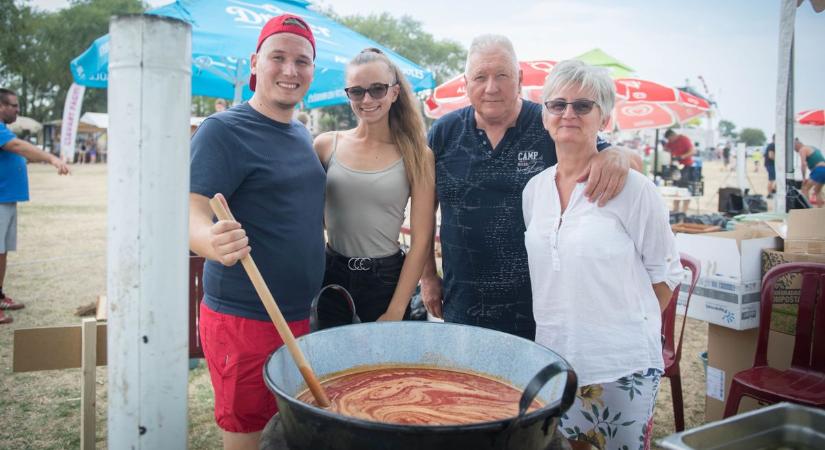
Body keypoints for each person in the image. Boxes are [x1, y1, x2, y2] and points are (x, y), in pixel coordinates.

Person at [421, 35, 635, 340]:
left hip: (538, 306)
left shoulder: (549, 121)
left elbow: (613, 156)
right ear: (466, 83)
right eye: (480, 77)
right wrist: (428, 276)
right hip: (462, 301)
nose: (491, 87)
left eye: (502, 75)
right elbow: (424, 212)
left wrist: (616, 154)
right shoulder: (444, 131)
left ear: (519, 79)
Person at [523, 60, 683, 450]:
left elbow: (666, 272)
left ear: (605, 117)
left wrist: (627, 327)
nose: (568, 114)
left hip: (621, 365)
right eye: (557, 104)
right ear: (545, 116)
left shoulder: (634, 189)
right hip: (558, 360)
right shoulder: (534, 191)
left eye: (583, 105)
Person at [187, 15, 324, 449]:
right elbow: (188, 210)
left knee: (292, 434)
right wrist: (210, 241)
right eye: (278, 58)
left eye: (301, 61)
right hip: (243, 318)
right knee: (249, 436)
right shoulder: (223, 130)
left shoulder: (302, 135)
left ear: (312, 71)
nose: (290, 70)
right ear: (255, 62)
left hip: (304, 315)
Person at [312, 49, 435, 328]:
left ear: (394, 92)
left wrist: (396, 309)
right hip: (331, 275)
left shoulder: (417, 154)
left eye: (377, 89)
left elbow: (421, 241)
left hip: (386, 281)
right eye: (357, 91)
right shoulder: (325, 146)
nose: (367, 99)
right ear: (348, 95)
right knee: (334, 369)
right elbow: (306, 218)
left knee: (384, 370)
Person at [0, 88, 70, 324]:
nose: (18, 109)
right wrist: (51, 158)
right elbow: (18, 147)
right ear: (1, 106)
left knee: (2, 251)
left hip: (7, 199)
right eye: (13, 105)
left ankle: (0, 296)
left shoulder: (5, 130)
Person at [794, 138, 825, 207]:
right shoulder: (812, 147)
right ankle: (820, 209)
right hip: (823, 169)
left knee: (805, 188)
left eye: (794, 148)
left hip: (819, 170)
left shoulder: (802, 149)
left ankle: (808, 209)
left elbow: (803, 164)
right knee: (817, 190)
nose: (795, 151)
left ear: (797, 145)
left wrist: (804, 178)